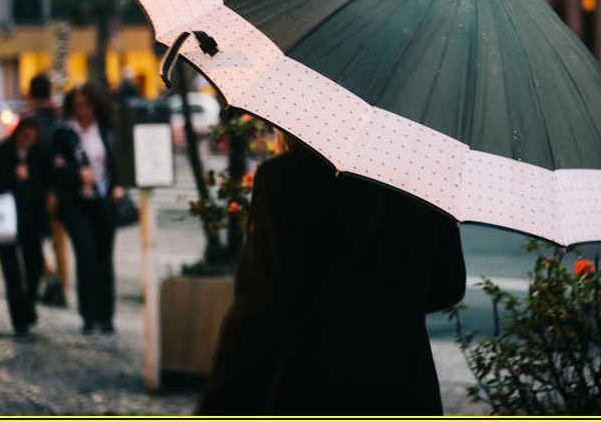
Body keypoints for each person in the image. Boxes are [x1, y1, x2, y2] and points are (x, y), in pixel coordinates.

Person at [197, 133, 467, 416]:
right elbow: (448, 286)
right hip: (402, 384)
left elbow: (260, 308)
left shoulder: (285, 175)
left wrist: (219, 402)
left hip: (312, 383)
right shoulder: (424, 182)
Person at [52, 82, 126, 334]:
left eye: (86, 105)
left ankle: (106, 316)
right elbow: (56, 165)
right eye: (77, 105)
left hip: (104, 201)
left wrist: (118, 185)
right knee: (85, 254)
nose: (82, 110)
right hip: (76, 203)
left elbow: (116, 161)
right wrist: (77, 173)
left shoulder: (105, 129)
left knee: (104, 257)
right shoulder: (65, 132)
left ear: (95, 106)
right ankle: (88, 315)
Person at [0, 116, 46, 339]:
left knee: (34, 267)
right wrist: (13, 177)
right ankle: (20, 321)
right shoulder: (0, 153)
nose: (28, 141)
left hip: (31, 220)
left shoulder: (38, 154)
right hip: (4, 220)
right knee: (12, 273)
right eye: (25, 136)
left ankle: (28, 305)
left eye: (32, 137)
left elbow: (45, 183)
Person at [26, 73, 69, 308]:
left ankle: (50, 277)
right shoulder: (58, 117)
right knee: (58, 241)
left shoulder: (29, 121)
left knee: (31, 239)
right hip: (59, 188)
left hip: (36, 189)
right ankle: (61, 288)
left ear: (30, 94)